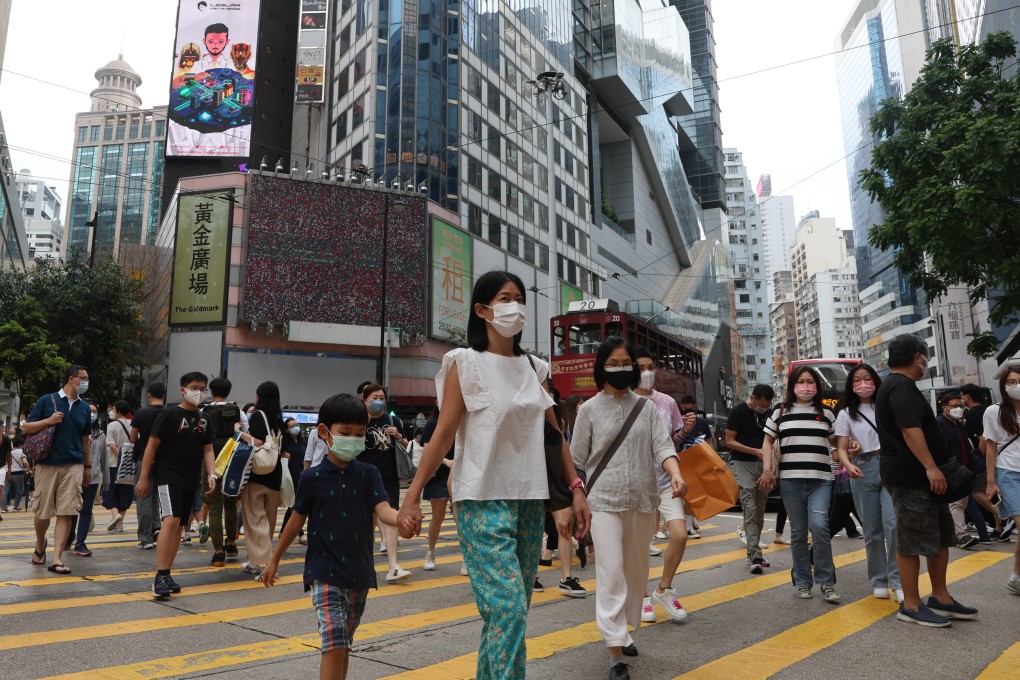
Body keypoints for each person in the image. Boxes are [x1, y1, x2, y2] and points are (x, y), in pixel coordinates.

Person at [397, 270, 591, 680]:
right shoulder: (464, 362)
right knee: (507, 610)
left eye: (519, 298)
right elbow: (442, 435)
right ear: (482, 310)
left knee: (509, 616)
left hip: (530, 499)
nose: (514, 306)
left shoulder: (535, 368)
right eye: (505, 298)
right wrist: (412, 496)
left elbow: (554, 435)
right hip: (480, 498)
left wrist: (576, 488)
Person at [263, 394, 401, 680]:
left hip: (359, 573)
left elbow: (384, 510)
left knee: (343, 644)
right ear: (324, 432)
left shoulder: (369, 474)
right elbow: (296, 520)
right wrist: (274, 559)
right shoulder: (311, 478)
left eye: (359, 434)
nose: (353, 439)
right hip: (324, 571)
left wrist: (403, 519)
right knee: (335, 643)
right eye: (345, 433)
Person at [571, 337, 684, 680]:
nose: (620, 369)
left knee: (635, 573)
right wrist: (576, 497)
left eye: (625, 364)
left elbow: (663, 447)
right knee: (611, 572)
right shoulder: (588, 410)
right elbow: (577, 461)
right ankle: (615, 653)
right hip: (602, 502)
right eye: (613, 364)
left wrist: (675, 474)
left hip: (641, 500)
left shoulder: (646, 409)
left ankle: (623, 629)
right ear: (601, 368)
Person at [875, 334, 977, 626]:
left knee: (941, 536)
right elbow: (910, 430)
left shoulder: (901, 385)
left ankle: (941, 597)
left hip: (926, 477)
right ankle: (910, 604)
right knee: (911, 541)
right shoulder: (900, 386)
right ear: (917, 357)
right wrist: (931, 468)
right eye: (925, 356)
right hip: (912, 477)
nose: (926, 362)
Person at [759, 366, 840, 603]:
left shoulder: (827, 413)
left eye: (810, 382)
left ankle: (826, 582)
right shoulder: (780, 411)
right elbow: (767, 441)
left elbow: (836, 445)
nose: (806, 386)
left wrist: (849, 450)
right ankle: (803, 582)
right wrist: (767, 469)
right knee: (797, 532)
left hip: (820, 480)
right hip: (790, 480)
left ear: (817, 386)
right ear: (792, 385)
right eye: (801, 382)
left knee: (820, 527)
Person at [135, 372, 217, 597]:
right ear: (183, 390)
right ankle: (160, 576)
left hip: (191, 478)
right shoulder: (169, 414)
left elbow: (208, 449)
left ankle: (167, 573)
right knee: (170, 521)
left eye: (203, 388)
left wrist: (212, 474)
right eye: (194, 387)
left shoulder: (205, 419)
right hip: (168, 476)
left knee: (180, 525)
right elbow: (151, 446)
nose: (198, 392)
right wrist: (144, 477)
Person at [834, 364, 902, 602]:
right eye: (857, 380)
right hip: (862, 468)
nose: (863, 384)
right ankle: (879, 580)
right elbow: (841, 448)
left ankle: (898, 580)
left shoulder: (888, 406)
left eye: (867, 379)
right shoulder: (846, 413)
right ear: (851, 386)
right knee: (872, 530)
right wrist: (848, 464)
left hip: (890, 465)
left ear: (875, 381)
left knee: (893, 525)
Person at [633, 347, 689, 622]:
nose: (647, 373)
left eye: (650, 367)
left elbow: (671, 441)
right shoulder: (625, 401)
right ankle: (642, 596)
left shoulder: (666, 401)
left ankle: (663, 589)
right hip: (638, 484)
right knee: (640, 544)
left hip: (667, 480)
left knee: (679, 534)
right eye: (641, 368)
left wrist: (685, 431)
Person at [24, 365, 93, 575]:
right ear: (72, 379)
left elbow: (85, 440)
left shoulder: (84, 407)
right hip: (47, 463)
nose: (86, 382)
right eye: (83, 378)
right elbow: (27, 427)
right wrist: (49, 420)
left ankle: (57, 558)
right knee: (42, 512)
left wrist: (87, 467)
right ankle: (40, 544)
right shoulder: (47, 400)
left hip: (74, 464)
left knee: (67, 511)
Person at [361, 383, 412, 583]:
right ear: (365, 400)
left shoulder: (392, 420)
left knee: (391, 521)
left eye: (382, 398)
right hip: (365, 478)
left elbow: (408, 446)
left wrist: (398, 436)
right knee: (367, 524)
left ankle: (393, 566)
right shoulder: (358, 420)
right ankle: (364, 565)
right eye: (374, 398)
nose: (378, 401)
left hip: (389, 478)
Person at [236, 381, 285, 578]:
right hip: (275, 474)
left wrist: (239, 433)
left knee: (255, 521)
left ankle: (266, 566)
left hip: (258, 474)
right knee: (268, 520)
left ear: (259, 396)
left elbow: (257, 441)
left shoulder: (258, 415)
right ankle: (255, 562)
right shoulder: (279, 419)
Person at [725, 384, 776, 574]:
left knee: (760, 512)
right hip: (742, 463)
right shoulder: (737, 412)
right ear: (752, 398)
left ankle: (751, 550)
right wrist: (754, 451)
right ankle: (755, 555)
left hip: (764, 466)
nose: (763, 408)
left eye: (767, 405)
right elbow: (730, 441)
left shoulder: (770, 414)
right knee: (750, 508)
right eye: (761, 405)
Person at [983, 363, 1020, 595]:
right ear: (1004, 386)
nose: (1017, 386)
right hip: (1007, 472)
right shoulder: (993, 411)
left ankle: (1016, 577)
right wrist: (990, 481)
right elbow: (990, 448)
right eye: (1012, 382)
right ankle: (1016, 577)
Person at [936, 391, 990, 548]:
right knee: (957, 504)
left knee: (964, 503)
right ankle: (962, 535)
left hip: (966, 470)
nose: (958, 409)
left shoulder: (959, 425)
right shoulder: (939, 424)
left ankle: (972, 534)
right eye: (954, 406)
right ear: (945, 408)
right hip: (952, 470)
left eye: (960, 406)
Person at [202, 378, 246, 566]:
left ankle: (218, 551)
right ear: (228, 392)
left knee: (214, 505)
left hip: (210, 461)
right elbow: (245, 435)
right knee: (230, 503)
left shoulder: (203, 412)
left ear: (211, 391)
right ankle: (231, 544)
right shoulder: (238, 412)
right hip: (232, 460)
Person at [419, 405, 455, 572]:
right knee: (438, 517)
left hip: (459, 473)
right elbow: (428, 451)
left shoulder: (460, 421)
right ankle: (430, 552)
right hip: (438, 476)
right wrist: (447, 462)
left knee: (460, 518)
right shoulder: (432, 423)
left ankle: (467, 559)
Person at [131, 383, 166, 549]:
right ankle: (156, 528)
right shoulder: (169, 413)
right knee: (156, 497)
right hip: (163, 460)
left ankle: (145, 538)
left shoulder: (141, 413)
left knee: (143, 496)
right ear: (164, 395)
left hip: (143, 458)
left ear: (149, 395)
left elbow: (132, 438)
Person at [69, 405, 107, 557]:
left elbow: (103, 459)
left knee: (86, 510)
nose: (92, 414)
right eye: (89, 411)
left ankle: (80, 543)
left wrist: (107, 482)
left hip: (93, 477)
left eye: (95, 411)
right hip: (74, 475)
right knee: (71, 509)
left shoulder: (100, 434)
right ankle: (68, 537)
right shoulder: (74, 430)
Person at [102, 400, 134, 533]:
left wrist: (121, 460)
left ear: (118, 411)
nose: (112, 411)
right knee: (125, 493)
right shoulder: (133, 424)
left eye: (114, 409)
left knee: (109, 492)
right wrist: (127, 461)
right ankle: (119, 526)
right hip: (129, 466)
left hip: (113, 465)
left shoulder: (112, 425)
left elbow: (111, 445)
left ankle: (115, 514)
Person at [280, 417, 308, 545]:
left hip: (302, 477)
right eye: (292, 426)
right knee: (296, 506)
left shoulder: (303, 442)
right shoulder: (284, 443)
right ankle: (301, 534)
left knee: (294, 505)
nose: (296, 427)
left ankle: (282, 531)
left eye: (296, 425)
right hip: (290, 478)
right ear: (286, 430)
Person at [5, 434, 29, 513]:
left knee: (5, 491)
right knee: (19, 490)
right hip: (18, 474)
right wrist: (29, 470)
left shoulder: (9, 451)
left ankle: (3, 508)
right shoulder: (21, 451)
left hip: (8, 472)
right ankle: (15, 507)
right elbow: (25, 462)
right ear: (20, 444)